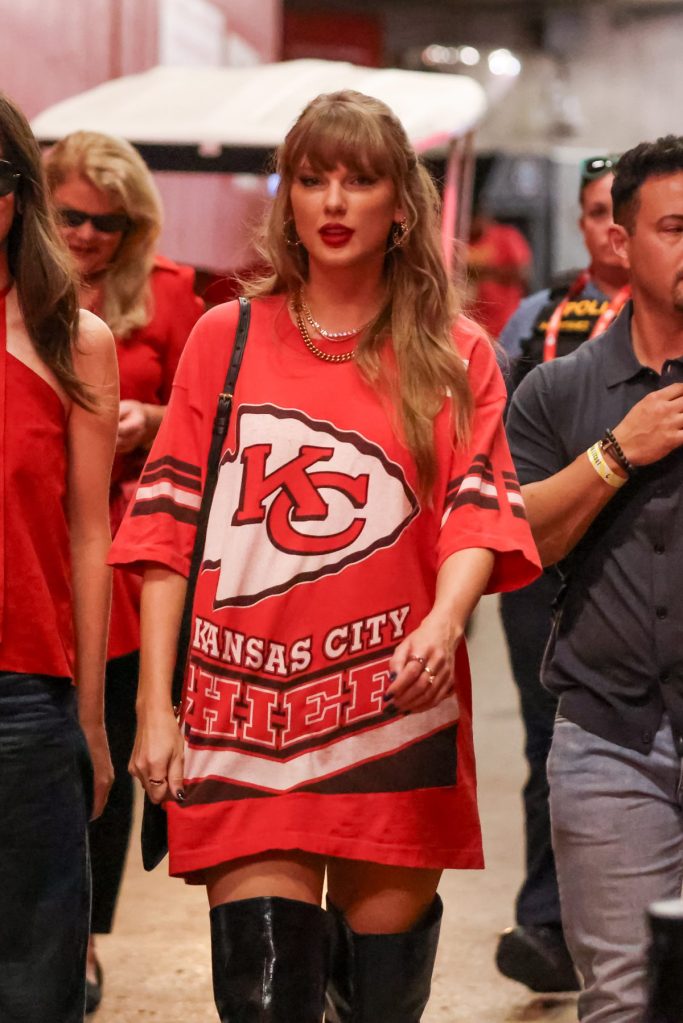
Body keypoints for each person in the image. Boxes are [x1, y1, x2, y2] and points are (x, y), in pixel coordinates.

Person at [110, 89, 540, 1022]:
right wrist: (155, 707)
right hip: (240, 709)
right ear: (289, 201)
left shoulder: (452, 350)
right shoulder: (224, 338)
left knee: (379, 1004)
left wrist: (444, 616)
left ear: (401, 204)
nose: (335, 201)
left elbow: (479, 507)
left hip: (394, 707)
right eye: (313, 179)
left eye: (360, 179)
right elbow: (165, 526)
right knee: (262, 1002)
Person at [506, 135, 683, 1023]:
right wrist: (619, 451)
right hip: (609, 739)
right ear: (620, 238)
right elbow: (521, 543)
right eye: (676, 228)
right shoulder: (555, 390)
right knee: (621, 998)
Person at [45, 130, 204, 1012]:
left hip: (131, 546)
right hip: (38, 535)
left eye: (109, 220)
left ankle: (89, 935)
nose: (89, 233)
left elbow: (200, 412)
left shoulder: (173, 293)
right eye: (71, 214)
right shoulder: (26, 288)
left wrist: (143, 417)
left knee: (94, 753)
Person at [494, 156, 631, 993]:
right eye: (592, 211)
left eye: (620, 210)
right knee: (551, 740)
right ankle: (546, 922)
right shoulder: (537, 318)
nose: (606, 226)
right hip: (544, 559)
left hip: (644, 561)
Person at [0, 94, 118, 1022]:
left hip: (24, 695)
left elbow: (89, 532)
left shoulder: (70, 340)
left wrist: (91, 719)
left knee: (37, 977)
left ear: (10, 199)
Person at [466, 203, 532, 339]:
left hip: (505, 324)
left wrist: (480, 271)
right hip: (475, 326)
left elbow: (522, 273)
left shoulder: (505, 235)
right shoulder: (462, 241)